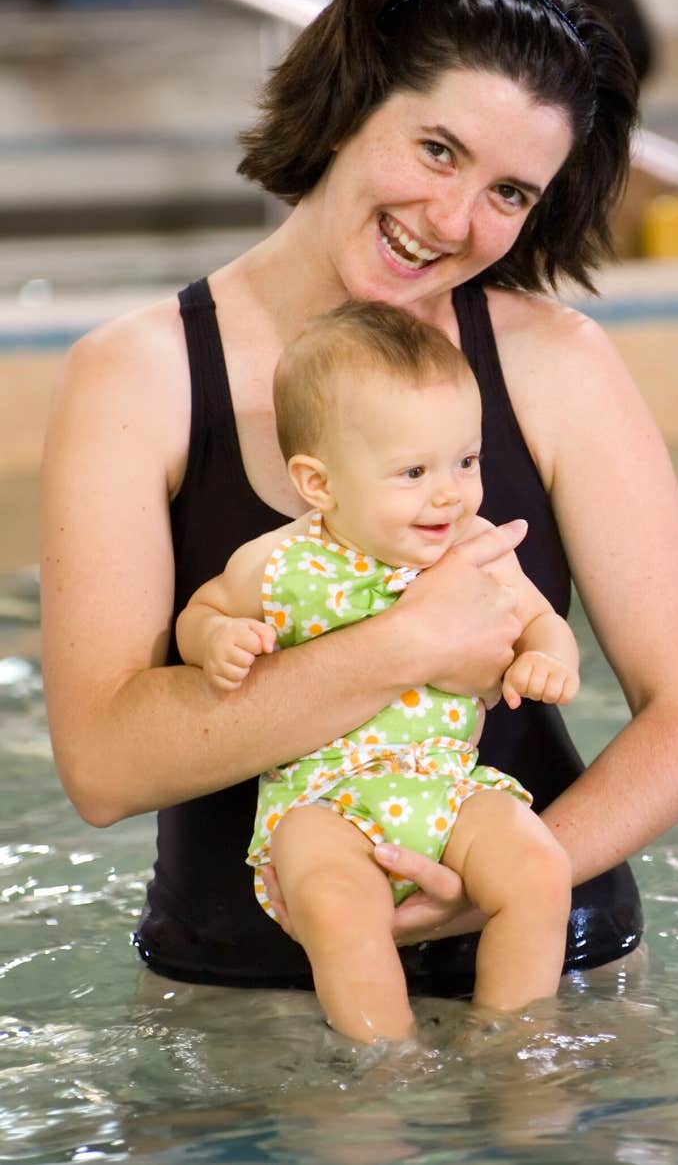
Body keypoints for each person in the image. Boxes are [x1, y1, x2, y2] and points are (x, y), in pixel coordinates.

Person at [40, 0, 678, 998]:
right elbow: (102, 766)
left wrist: (512, 876)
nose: (453, 220)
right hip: (242, 1002)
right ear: (351, 99)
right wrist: (404, 642)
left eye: (510, 193)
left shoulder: (555, 366)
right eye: (436, 149)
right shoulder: (137, 379)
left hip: (558, 981)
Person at [176, 301, 580, 1039]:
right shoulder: (279, 563)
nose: (449, 493)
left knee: (541, 870)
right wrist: (219, 639)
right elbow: (200, 611)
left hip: (446, 783)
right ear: (320, 484)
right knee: (334, 902)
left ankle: (516, 1046)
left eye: (467, 460)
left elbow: (541, 620)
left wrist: (548, 658)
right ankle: (385, 1066)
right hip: (320, 798)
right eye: (414, 471)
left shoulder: (478, 546)